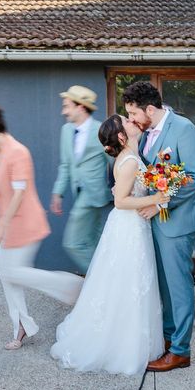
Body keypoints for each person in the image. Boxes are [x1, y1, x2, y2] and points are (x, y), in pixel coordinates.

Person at [51, 114, 167, 375]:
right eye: (126, 121)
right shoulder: (127, 162)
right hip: (128, 228)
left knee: (132, 282)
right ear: (122, 136)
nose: (130, 120)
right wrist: (155, 199)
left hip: (132, 227)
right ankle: (121, 343)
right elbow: (121, 201)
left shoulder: (131, 157)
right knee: (128, 282)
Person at [0, 105, 84, 350]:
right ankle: (22, 326)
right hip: (11, 225)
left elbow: (19, 193)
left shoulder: (17, 152)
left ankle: (72, 287)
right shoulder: (0, 151)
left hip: (24, 224)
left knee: (11, 272)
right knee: (5, 272)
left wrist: (1, 225)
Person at [122, 82, 195, 372]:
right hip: (154, 222)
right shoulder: (145, 135)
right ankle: (170, 338)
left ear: (149, 109)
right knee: (164, 286)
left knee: (178, 286)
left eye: (133, 113)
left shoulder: (184, 129)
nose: (131, 120)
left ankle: (181, 351)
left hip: (177, 221)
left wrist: (161, 203)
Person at [50, 85, 112, 274]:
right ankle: (106, 282)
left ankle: (101, 278)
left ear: (81, 107)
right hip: (77, 192)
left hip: (96, 194)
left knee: (73, 243)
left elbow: (115, 161)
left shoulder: (100, 130)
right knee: (92, 240)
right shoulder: (66, 130)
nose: (63, 111)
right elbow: (66, 164)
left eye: (67, 106)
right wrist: (57, 192)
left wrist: (122, 190)